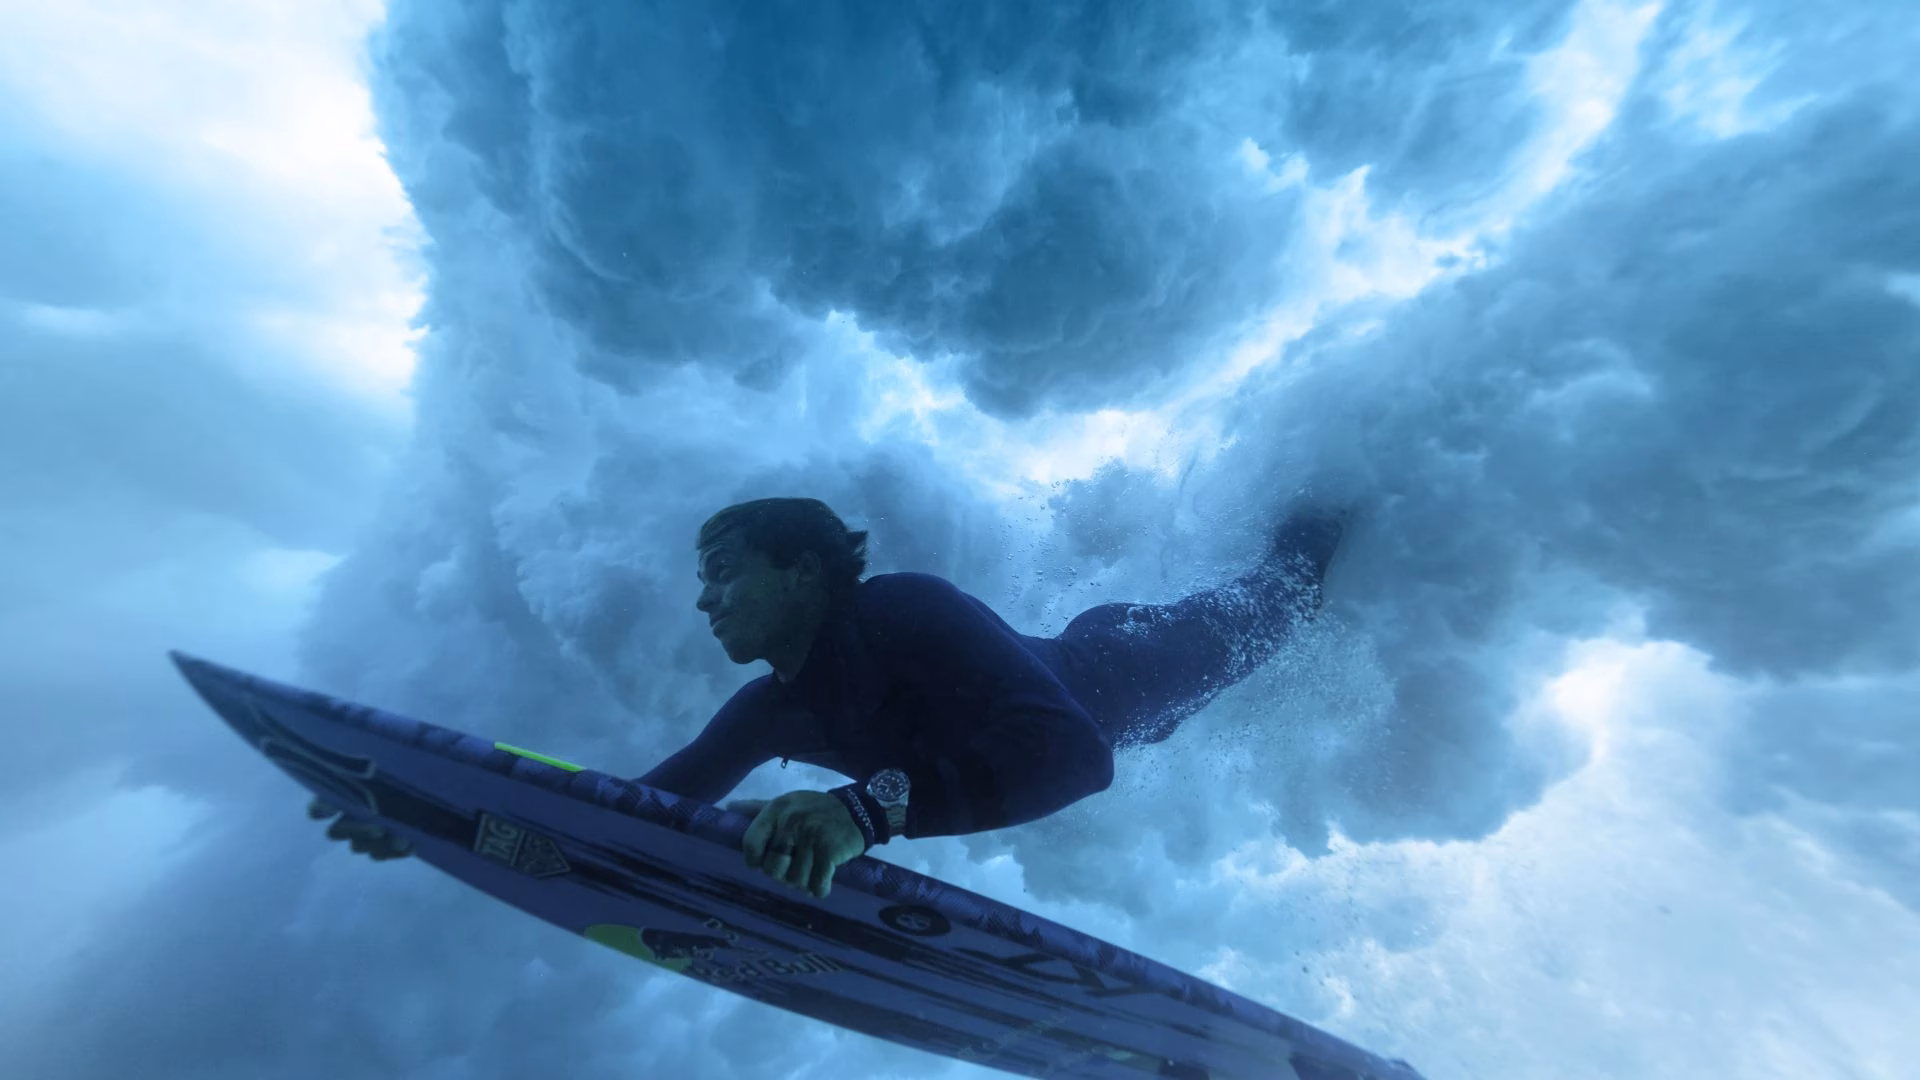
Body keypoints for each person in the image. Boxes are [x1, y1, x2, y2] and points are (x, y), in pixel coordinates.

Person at [313, 496, 1346, 900]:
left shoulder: (904, 609)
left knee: (1282, 599)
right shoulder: (774, 712)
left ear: (805, 570)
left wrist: (859, 812)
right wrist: (443, 818)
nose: (706, 599)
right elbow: (642, 811)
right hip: (1083, 661)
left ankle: (1342, 503)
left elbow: (1074, 756)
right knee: (1255, 607)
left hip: (1133, 669)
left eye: (723, 572)